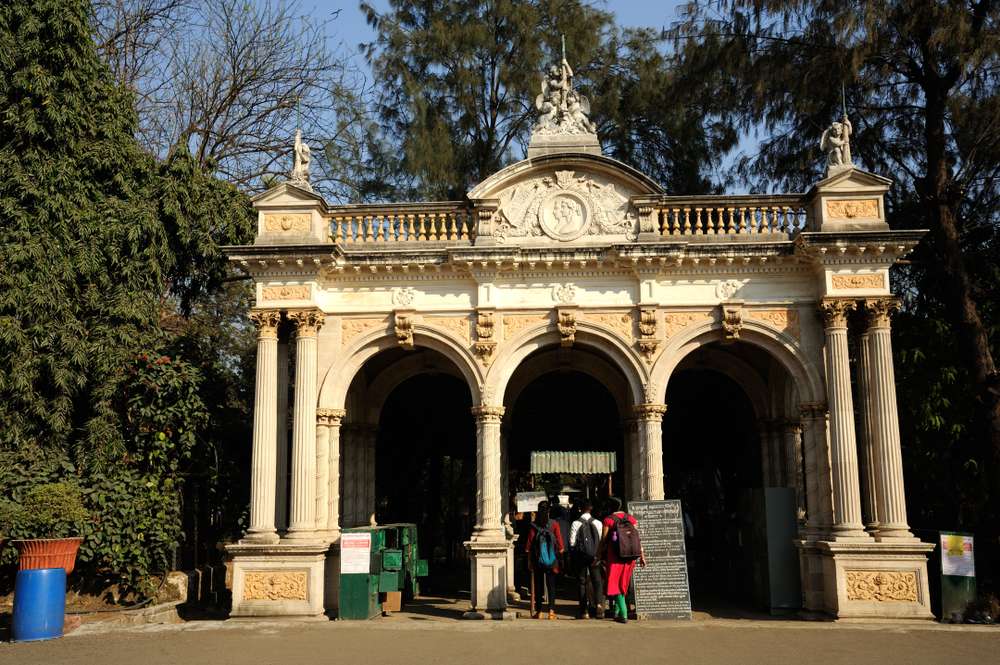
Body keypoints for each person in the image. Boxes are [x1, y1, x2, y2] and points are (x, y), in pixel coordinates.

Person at [598, 497, 646, 623]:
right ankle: (617, 612)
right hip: (630, 557)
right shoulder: (631, 519)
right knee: (623, 583)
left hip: (614, 557)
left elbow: (603, 540)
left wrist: (598, 555)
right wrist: (642, 556)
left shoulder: (608, 520)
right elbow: (637, 539)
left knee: (615, 585)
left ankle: (623, 614)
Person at [523, 500, 565, 620]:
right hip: (552, 559)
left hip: (537, 560)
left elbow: (529, 544)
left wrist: (529, 561)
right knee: (551, 585)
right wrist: (559, 555)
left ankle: (539, 611)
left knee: (538, 585)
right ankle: (551, 612)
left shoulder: (534, 525)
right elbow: (560, 545)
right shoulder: (554, 524)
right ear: (548, 511)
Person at [569, 499, 605, 619]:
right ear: (591, 508)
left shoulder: (575, 523)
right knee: (597, 580)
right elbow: (602, 540)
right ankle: (599, 604)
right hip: (594, 556)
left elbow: (572, 543)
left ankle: (584, 611)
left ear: (580, 509)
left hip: (581, 557)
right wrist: (598, 555)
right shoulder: (598, 523)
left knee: (582, 582)